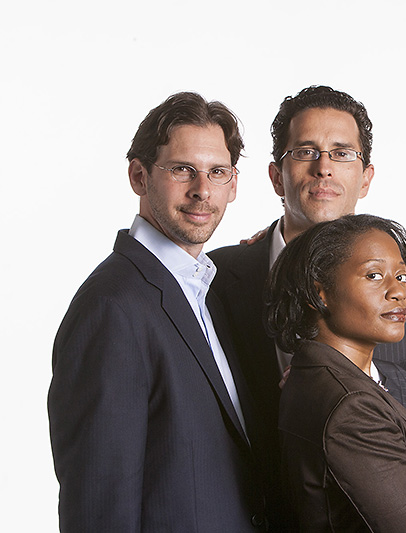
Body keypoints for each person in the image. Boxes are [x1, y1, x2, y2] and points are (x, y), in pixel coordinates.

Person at [208, 86, 406, 525]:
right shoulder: (220, 276)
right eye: (306, 152)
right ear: (276, 176)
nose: (324, 167)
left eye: (342, 153)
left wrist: (346, 375)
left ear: (366, 177)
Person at [48, 92, 270, 531]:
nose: (202, 190)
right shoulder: (111, 307)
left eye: (217, 172)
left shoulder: (208, 290)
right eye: (182, 169)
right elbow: (98, 508)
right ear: (139, 176)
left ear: (234, 184)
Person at [265, 214, 406, 532]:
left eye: (401, 276)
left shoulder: (316, 373)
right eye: (374, 275)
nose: (399, 292)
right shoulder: (352, 408)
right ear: (319, 293)